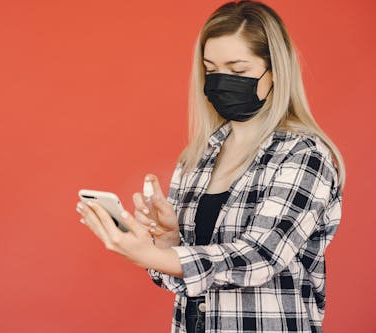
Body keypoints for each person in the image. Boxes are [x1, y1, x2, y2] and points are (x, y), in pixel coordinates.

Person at [75, 0, 345, 332]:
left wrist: (150, 256)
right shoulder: (197, 158)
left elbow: (260, 259)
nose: (221, 81)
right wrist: (168, 239)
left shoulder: (303, 154)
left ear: (274, 71)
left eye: (239, 70)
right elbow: (185, 280)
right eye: (212, 69)